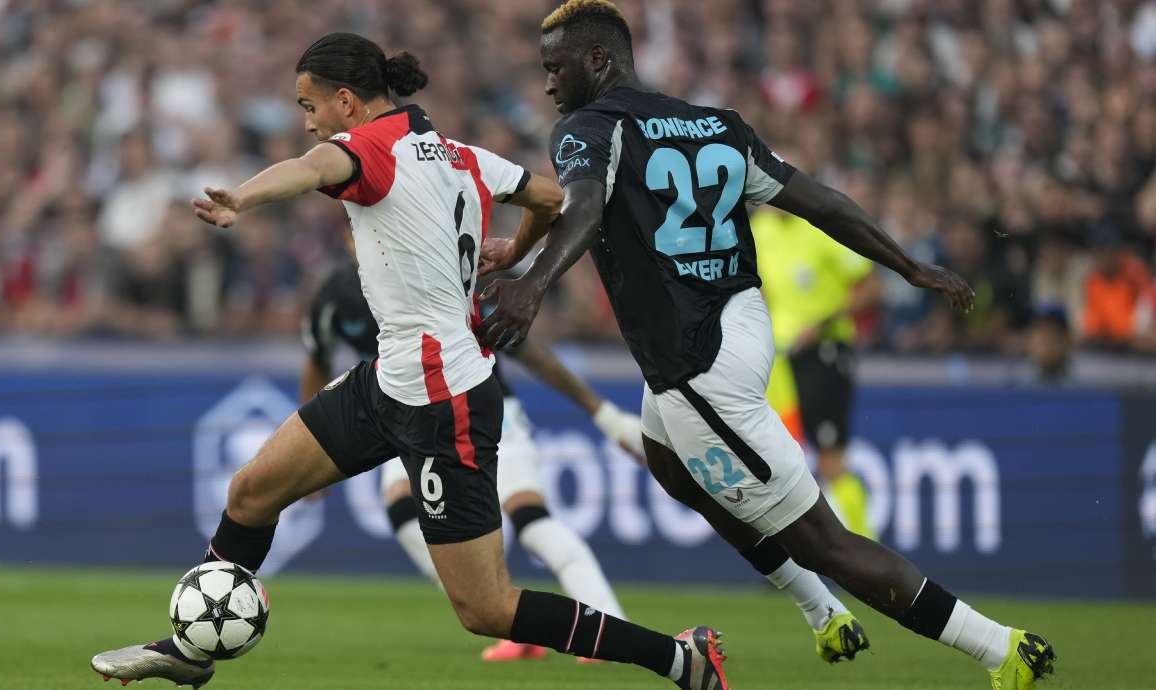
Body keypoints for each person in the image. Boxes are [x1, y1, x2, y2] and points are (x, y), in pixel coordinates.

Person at [91, 31, 729, 690]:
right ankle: (192, 651)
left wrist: (242, 198)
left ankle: (678, 659)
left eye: (310, 107)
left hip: (443, 397)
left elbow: (310, 169)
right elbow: (551, 199)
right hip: (389, 378)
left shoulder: (370, 148)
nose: (308, 124)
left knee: (486, 609)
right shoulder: (460, 154)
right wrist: (517, 254)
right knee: (252, 493)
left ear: (345, 101)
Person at [477, 2, 1056, 689]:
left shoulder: (585, 127)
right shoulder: (715, 125)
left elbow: (585, 208)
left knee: (825, 541)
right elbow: (819, 201)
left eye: (555, 66)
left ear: (598, 60)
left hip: (694, 362)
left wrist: (532, 284)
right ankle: (823, 614)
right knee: (670, 463)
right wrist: (905, 264)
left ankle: (1002, 649)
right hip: (741, 323)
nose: (547, 84)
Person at [299, 254, 643, 662]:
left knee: (529, 518)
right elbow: (316, 360)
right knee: (400, 506)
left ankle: (607, 626)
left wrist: (603, 415)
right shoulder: (333, 298)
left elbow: (529, 352)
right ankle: (513, 621)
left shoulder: (433, 274)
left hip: (484, 410)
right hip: (407, 417)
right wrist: (315, 457)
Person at [752, 208, 882, 538]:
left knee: (830, 461)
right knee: (779, 462)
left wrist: (825, 320)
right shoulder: (758, 228)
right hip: (778, 364)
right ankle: (790, 556)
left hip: (823, 354)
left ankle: (870, 550)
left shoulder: (823, 227)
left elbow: (870, 289)